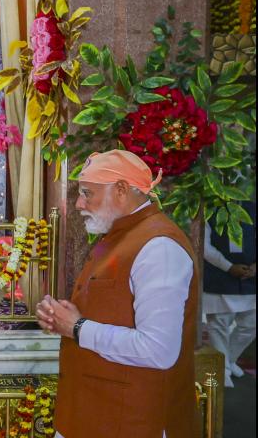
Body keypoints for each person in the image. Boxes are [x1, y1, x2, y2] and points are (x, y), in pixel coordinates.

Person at [36, 150, 200, 438]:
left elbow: (159, 350)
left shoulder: (159, 246)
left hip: (132, 422)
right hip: (92, 414)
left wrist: (76, 327)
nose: (78, 203)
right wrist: (63, 318)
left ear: (122, 190)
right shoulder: (117, 237)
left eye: (88, 193)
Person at [203, 199, 255, 388]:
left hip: (250, 276)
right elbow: (205, 246)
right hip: (220, 275)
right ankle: (222, 370)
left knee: (251, 324)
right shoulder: (209, 209)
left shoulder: (252, 208)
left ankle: (228, 360)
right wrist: (228, 267)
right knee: (219, 325)